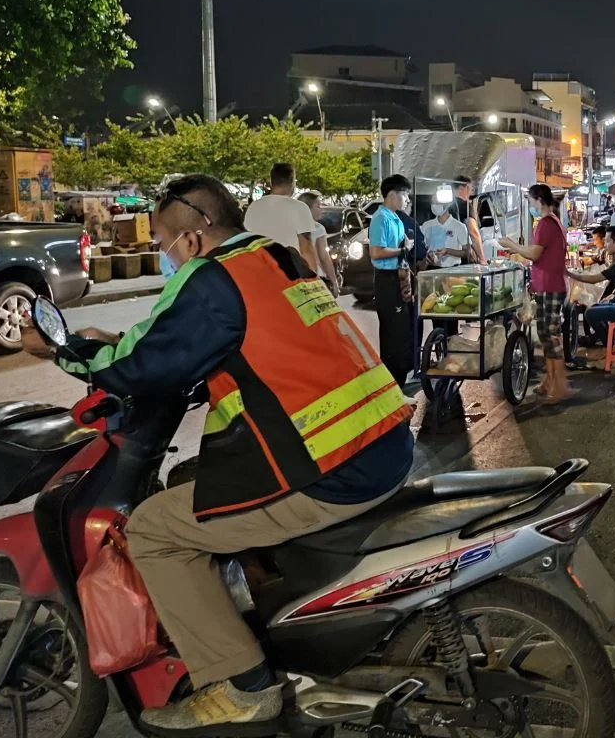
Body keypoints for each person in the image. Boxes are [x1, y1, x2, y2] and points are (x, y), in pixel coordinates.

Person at [22, 174, 414, 733]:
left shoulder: (213, 277)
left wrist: (64, 352)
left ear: (193, 236)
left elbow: (142, 366)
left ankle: (243, 685)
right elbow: (223, 339)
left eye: (164, 243)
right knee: (192, 476)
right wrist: (117, 343)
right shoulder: (273, 258)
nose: (166, 255)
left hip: (331, 468)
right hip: (380, 442)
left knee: (153, 531)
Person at [499, 184, 571, 401]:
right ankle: (549, 381)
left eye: (530, 200)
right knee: (546, 335)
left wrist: (512, 244)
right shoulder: (553, 221)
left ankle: (560, 386)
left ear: (539, 200)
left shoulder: (546, 223)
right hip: (549, 285)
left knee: (550, 336)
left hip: (550, 286)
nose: (530, 205)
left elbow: (534, 254)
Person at [369, 175, 416, 391]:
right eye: (404, 195)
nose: (406, 200)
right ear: (392, 194)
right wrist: (403, 249)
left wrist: (404, 246)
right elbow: (376, 252)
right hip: (387, 280)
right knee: (393, 334)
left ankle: (399, 382)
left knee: (403, 331)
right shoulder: (380, 218)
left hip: (400, 277)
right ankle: (392, 385)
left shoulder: (395, 217)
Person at [244, 162, 316, 270]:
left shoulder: (253, 207)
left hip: (257, 269)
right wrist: (314, 275)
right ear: (292, 182)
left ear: (271, 181)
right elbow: (306, 250)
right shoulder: (300, 208)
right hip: (288, 272)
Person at [297, 192, 340, 295]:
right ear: (308, 209)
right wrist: (334, 283)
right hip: (315, 278)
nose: (322, 209)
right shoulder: (318, 228)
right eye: (318, 206)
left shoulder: (291, 227)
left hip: (295, 280)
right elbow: (324, 258)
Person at [420, 199, 470, 269]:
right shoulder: (426, 225)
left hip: (453, 270)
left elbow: (468, 252)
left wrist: (448, 251)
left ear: (448, 204)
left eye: (438, 202)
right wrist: (428, 256)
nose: (435, 205)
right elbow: (420, 250)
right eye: (433, 202)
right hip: (431, 269)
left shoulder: (459, 226)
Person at [453, 174, 485, 263]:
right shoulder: (465, 206)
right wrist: (482, 258)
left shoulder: (447, 206)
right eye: (470, 189)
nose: (470, 193)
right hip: (464, 257)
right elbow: (473, 232)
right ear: (462, 188)